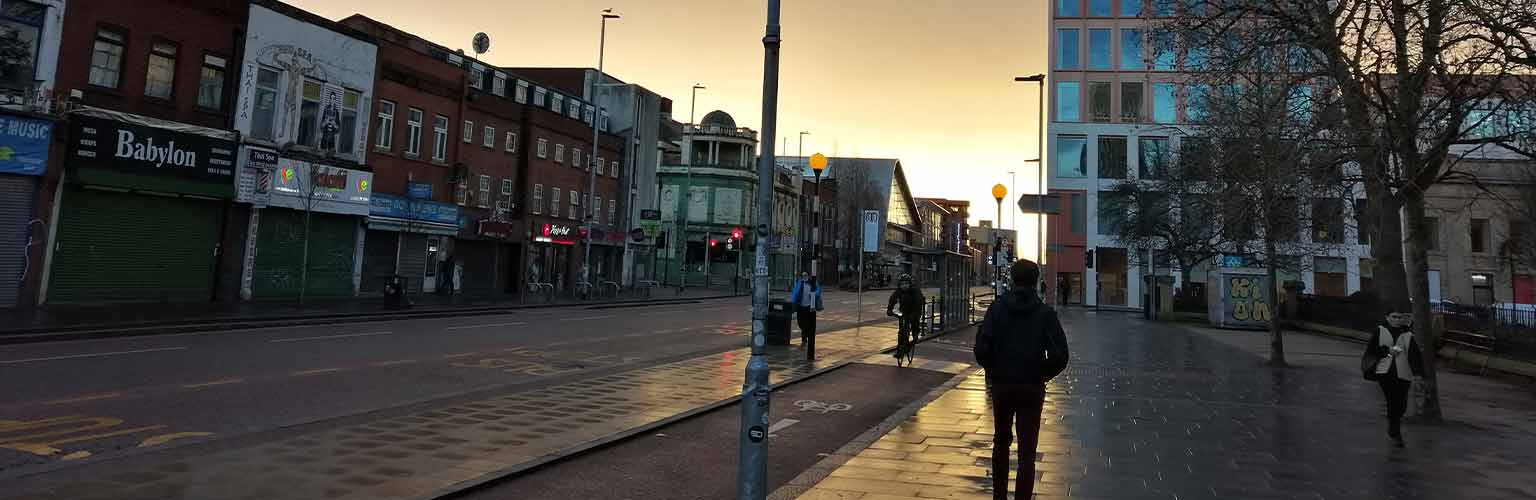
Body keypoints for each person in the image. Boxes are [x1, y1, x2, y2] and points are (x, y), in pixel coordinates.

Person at [974, 259, 1069, 500]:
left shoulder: (997, 309)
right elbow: (1061, 354)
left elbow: (982, 348)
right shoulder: (1045, 314)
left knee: (1001, 442)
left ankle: (999, 496)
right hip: (1031, 387)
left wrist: (994, 369)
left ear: (1012, 280)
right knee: (1027, 452)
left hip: (1003, 385)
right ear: (1036, 281)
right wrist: (1042, 373)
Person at [1365, 306, 1424, 448]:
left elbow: (1415, 356)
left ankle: (1394, 425)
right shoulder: (1380, 330)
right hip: (1385, 372)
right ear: (1387, 317)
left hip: (1404, 373)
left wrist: (1418, 374)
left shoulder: (1408, 334)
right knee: (1392, 401)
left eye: (1399, 317)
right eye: (1393, 317)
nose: (1397, 320)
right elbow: (1372, 350)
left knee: (1402, 404)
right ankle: (1395, 431)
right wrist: (1388, 351)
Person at [887, 274, 924, 365]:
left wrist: (914, 315)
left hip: (915, 311)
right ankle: (900, 350)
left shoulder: (915, 291)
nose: (904, 286)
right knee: (902, 331)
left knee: (914, 325)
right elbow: (893, 299)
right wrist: (889, 309)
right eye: (902, 284)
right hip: (904, 311)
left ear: (910, 284)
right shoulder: (899, 291)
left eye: (906, 284)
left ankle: (915, 336)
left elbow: (919, 305)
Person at [789, 272, 824, 360]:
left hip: (810, 307)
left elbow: (818, 291)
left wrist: (813, 294)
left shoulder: (813, 282)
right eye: (803, 275)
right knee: (801, 323)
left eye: (806, 275)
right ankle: (806, 336)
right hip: (801, 306)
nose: (804, 277)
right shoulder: (799, 283)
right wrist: (792, 303)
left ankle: (805, 340)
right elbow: (795, 293)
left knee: (808, 325)